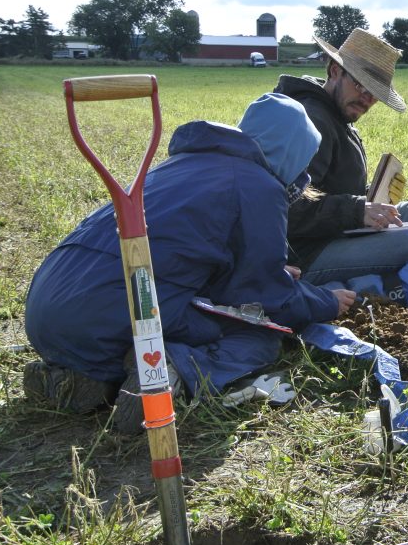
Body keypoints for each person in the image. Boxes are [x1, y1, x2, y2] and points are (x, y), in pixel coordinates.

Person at [23, 93, 357, 433]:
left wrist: (261, 269)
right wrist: (325, 300)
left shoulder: (180, 166)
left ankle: (83, 381)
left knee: (149, 317)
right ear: (292, 151)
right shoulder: (259, 185)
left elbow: (184, 255)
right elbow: (265, 296)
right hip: (117, 312)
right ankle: (171, 371)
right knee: (258, 336)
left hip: (47, 311)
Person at [274, 28, 408, 286]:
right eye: (361, 85)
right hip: (305, 255)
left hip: (338, 232)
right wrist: (358, 209)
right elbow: (286, 209)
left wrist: (376, 197)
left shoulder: (336, 113)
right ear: (334, 71)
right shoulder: (312, 121)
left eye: (375, 93)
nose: (367, 99)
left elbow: (329, 190)